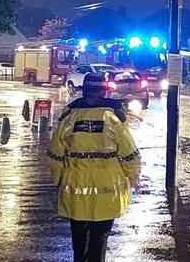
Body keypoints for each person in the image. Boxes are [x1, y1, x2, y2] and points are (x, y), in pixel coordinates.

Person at [48, 73, 141, 262]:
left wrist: (57, 179)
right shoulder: (113, 117)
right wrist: (134, 177)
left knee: (78, 238)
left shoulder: (69, 116)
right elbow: (129, 152)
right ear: (104, 91)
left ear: (85, 90)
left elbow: (56, 153)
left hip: (74, 188)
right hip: (107, 190)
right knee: (99, 238)